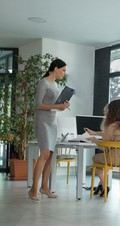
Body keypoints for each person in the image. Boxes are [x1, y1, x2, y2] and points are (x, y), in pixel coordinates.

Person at [28, 59, 70, 201]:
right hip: (43, 121)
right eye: (63, 70)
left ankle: (44, 187)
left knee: (51, 155)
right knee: (45, 153)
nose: (65, 73)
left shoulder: (56, 84)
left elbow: (54, 104)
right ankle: (33, 189)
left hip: (53, 121)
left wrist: (62, 105)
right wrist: (57, 107)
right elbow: (38, 104)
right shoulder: (44, 82)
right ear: (56, 68)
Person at [86, 99, 120, 197]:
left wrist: (94, 140)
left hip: (113, 159)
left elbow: (103, 146)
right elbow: (113, 135)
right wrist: (95, 132)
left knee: (96, 160)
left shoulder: (111, 126)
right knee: (103, 164)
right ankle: (100, 186)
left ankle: (105, 185)